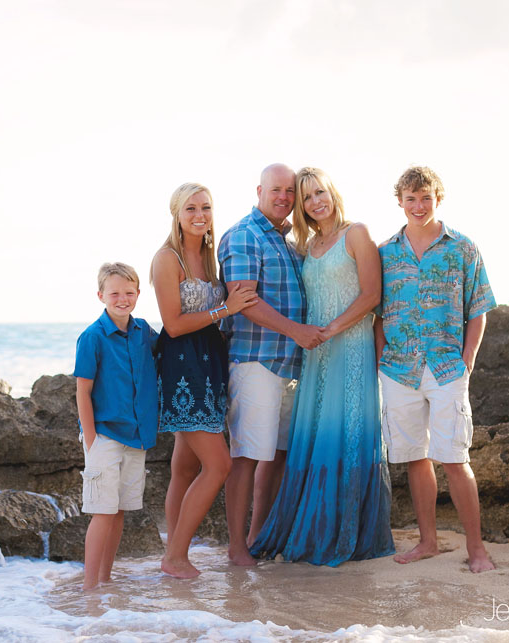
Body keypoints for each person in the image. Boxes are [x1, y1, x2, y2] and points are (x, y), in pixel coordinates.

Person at [250, 167, 395, 566]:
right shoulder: (307, 245)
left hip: (349, 347)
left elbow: (371, 295)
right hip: (314, 353)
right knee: (313, 435)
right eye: (307, 196)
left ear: (333, 193)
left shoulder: (357, 233)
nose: (316, 201)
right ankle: (307, 528)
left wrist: (330, 330)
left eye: (321, 192)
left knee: (346, 430)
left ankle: (345, 532)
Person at [375, 166, 496, 573]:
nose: (418, 206)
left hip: (447, 367)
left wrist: (468, 360)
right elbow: (375, 313)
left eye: (425, 197)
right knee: (415, 457)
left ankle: (477, 549)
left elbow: (478, 309)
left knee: (455, 458)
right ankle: (428, 542)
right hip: (399, 370)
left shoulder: (462, 248)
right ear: (400, 202)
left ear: (437, 199)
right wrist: (380, 361)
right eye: (411, 199)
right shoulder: (385, 252)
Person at [218, 163, 324, 566]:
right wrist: (296, 330)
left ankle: (258, 534)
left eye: (290, 192)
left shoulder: (287, 240)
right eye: (276, 189)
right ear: (260, 189)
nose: (284, 197)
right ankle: (236, 547)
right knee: (246, 456)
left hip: (289, 366)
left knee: (277, 453)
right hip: (254, 362)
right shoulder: (244, 235)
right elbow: (243, 298)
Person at [151, 183, 258, 578]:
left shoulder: (210, 258)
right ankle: (175, 556)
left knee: (184, 467)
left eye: (206, 207)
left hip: (212, 364)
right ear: (176, 214)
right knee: (219, 465)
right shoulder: (167, 259)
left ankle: (174, 549)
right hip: (183, 368)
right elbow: (174, 325)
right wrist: (225, 309)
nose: (200, 215)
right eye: (191, 208)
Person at [73, 262, 158, 590]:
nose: (122, 298)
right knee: (102, 512)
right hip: (104, 436)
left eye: (129, 292)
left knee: (120, 510)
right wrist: (91, 441)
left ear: (138, 294)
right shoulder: (92, 337)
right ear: (101, 295)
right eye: (115, 293)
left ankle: (105, 580)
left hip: (135, 437)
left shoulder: (144, 333)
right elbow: (83, 390)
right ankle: (89, 588)